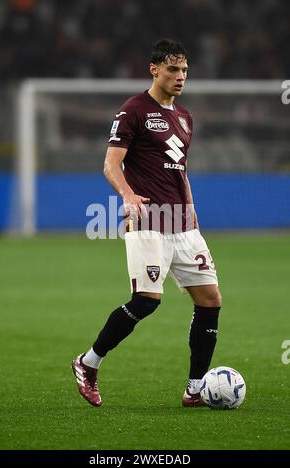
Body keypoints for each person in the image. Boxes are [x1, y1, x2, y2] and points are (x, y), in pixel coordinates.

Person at [72, 38, 221, 407]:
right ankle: (88, 363)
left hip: (184, 224)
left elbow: (180, 171)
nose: (180, 76)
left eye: (184, 70)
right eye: (172, 69)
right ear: (154, 70)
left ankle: (196, 388)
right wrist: (126, 195)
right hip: (149, 220)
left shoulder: (185, 118)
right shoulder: (133, 110)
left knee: (210, 300)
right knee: (147, 300)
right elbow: (111, 164)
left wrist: (192, 209)